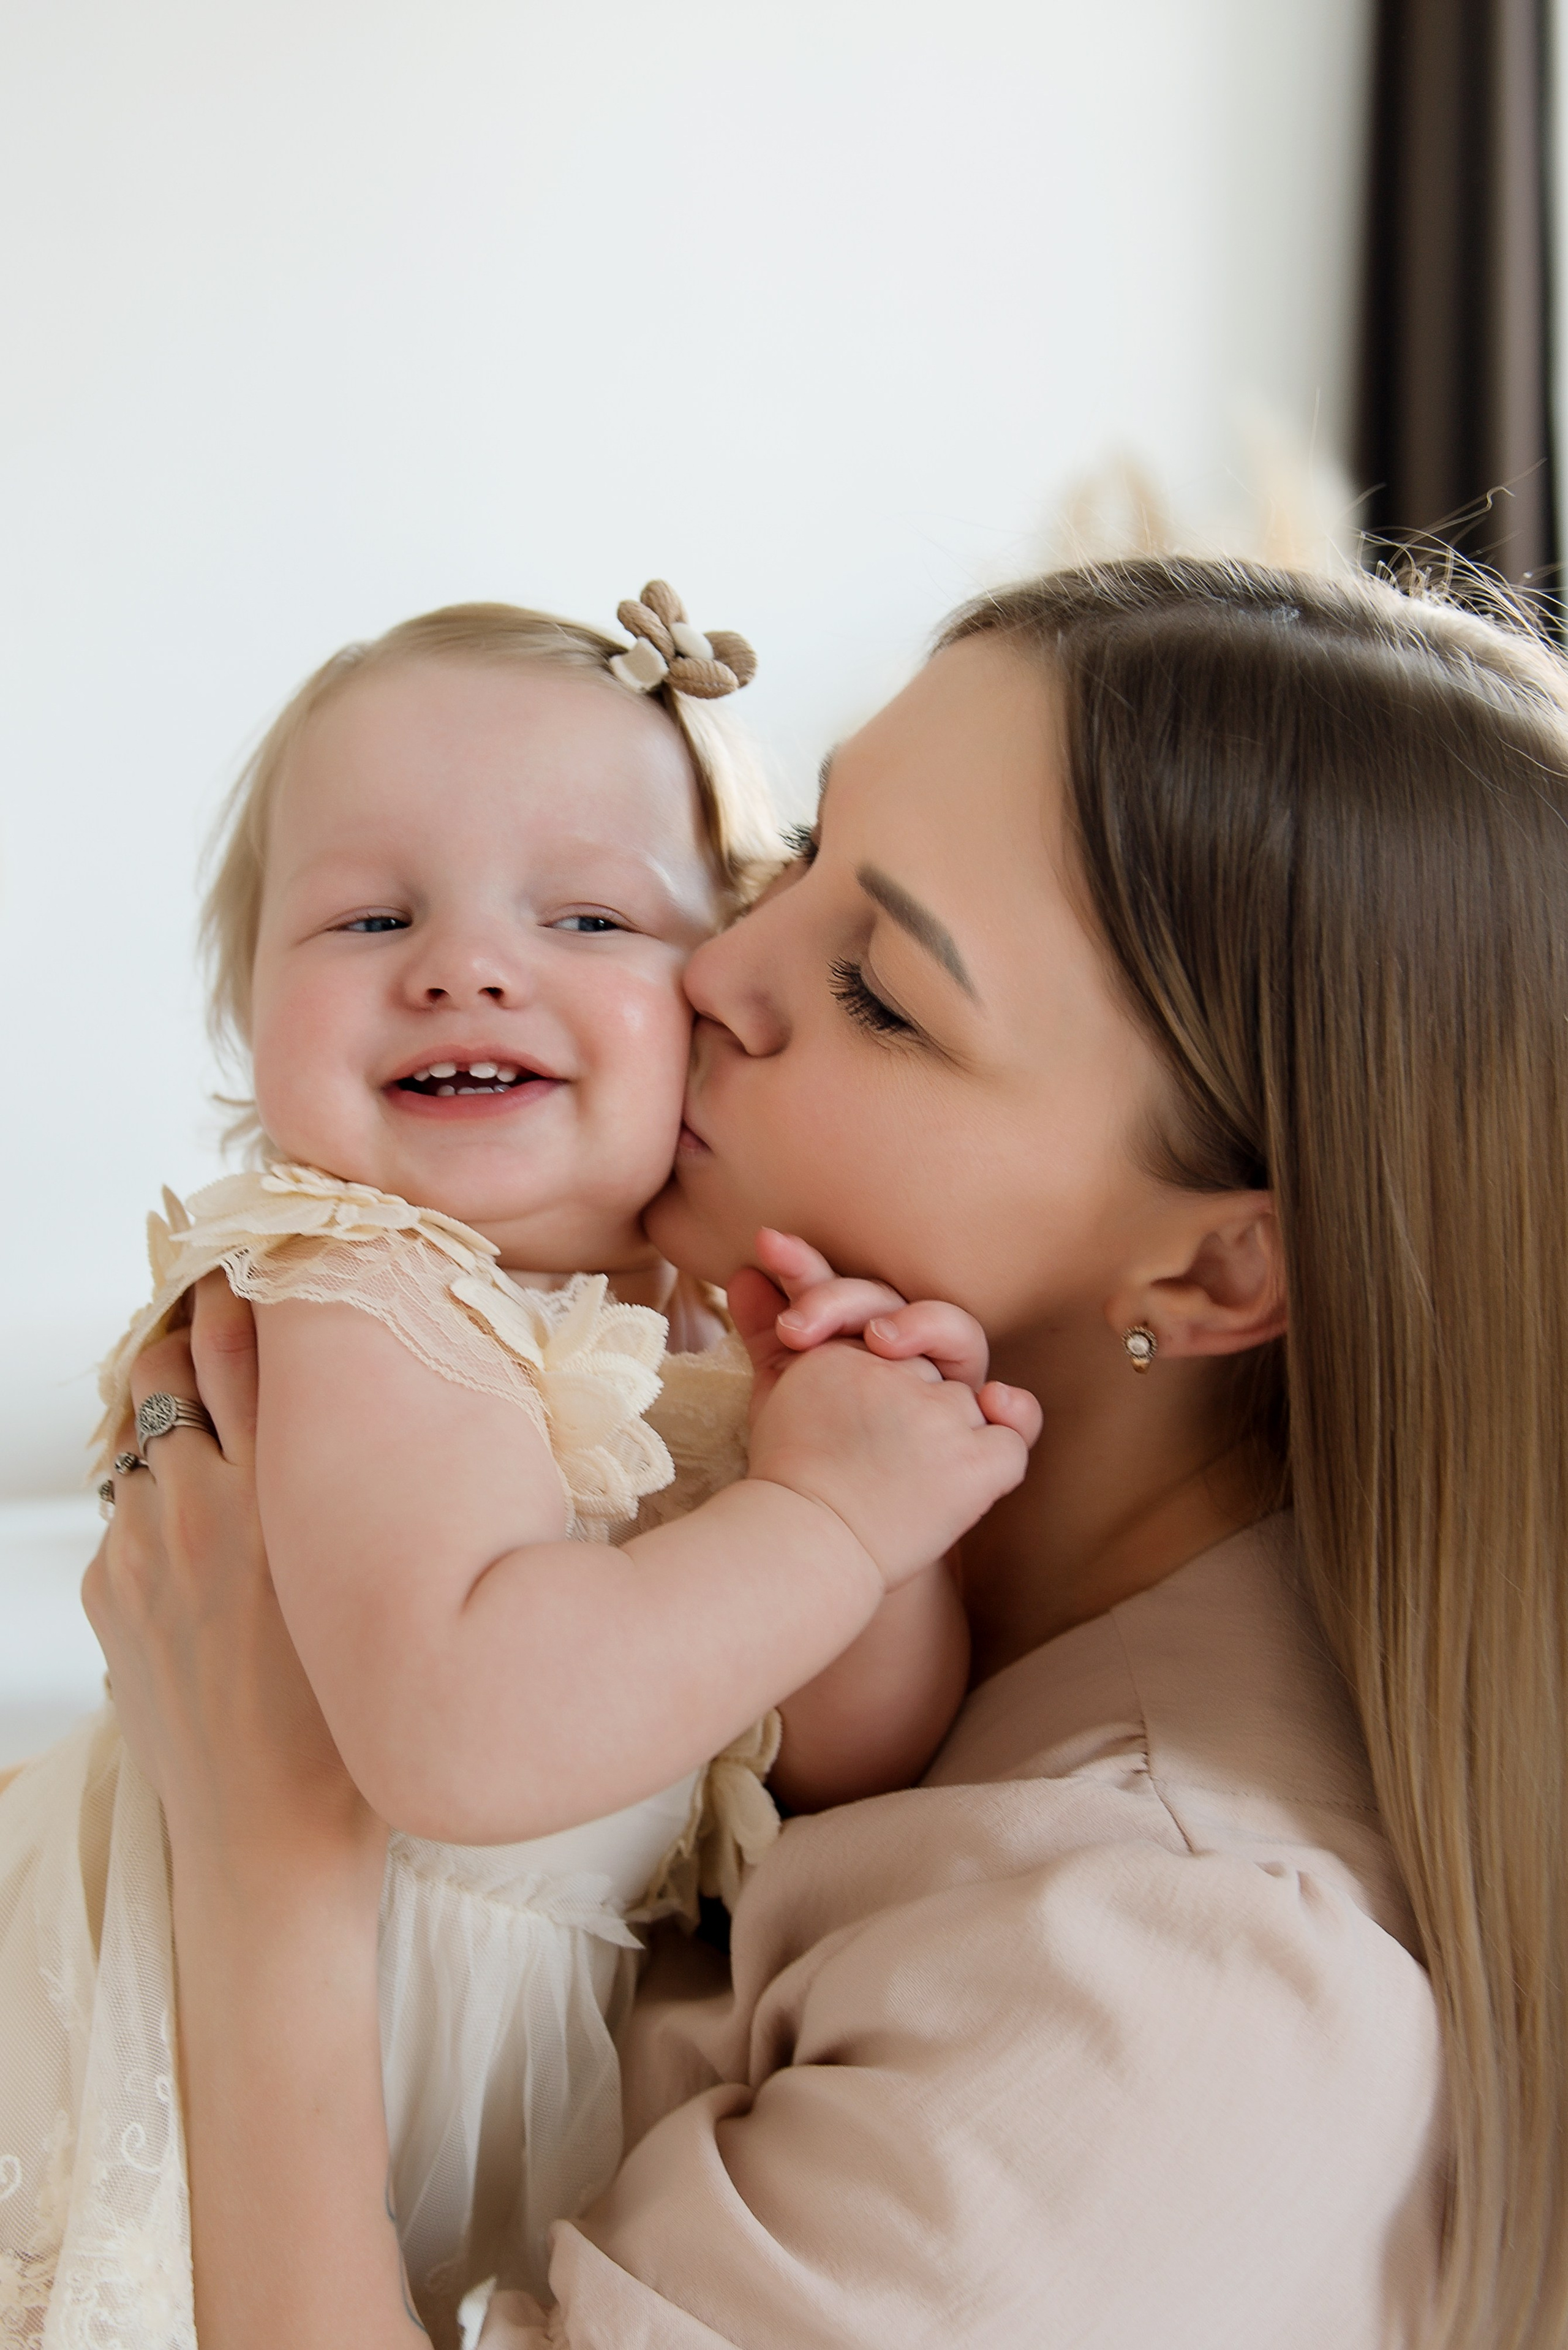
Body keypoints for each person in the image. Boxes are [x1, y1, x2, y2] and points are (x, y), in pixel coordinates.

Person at [80, 554, 1568, 2350]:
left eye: (876, 987)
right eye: (792, 861)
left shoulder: (1178, 1985)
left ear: (1216, 1262)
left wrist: (266, 1865)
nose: (710, 967)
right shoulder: (775, 1445)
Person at [0, 587, 1035, 2349]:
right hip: (157, 2062)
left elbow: (849, 1746)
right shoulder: (351, 1290)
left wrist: (871, 1508)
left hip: (401, 2085)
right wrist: (824, 1515)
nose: (465, 964)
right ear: (248, 1011)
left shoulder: (687, 1336)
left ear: (717, 1000)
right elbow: (464, 1724)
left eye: (585, 913)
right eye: (371, 912)